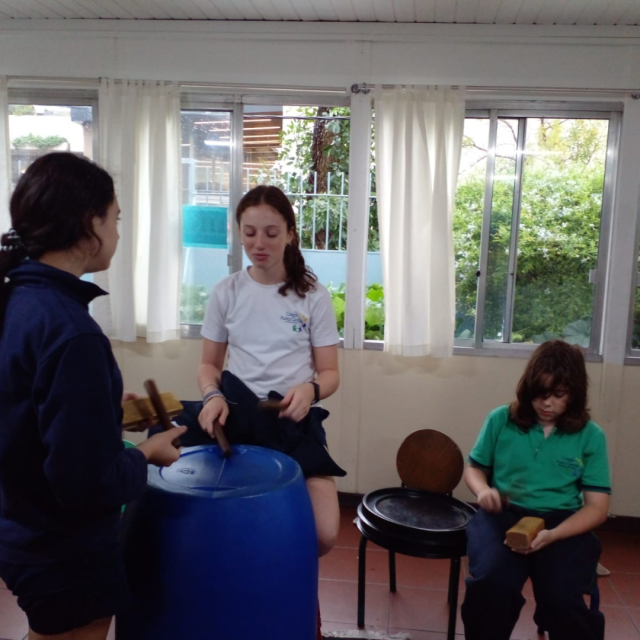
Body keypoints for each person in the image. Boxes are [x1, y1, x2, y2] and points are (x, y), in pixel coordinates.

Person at [0, 152, 186, 640]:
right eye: (116, 219)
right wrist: (147, 452)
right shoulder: (70, 331)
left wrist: (103, 413)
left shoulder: (19, 301)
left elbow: (24, 416)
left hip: (20, 525)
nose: (119, 234)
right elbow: (87, 485)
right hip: (60, 548)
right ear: (90, 225)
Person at [195, 184, 345, 561]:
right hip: (236, 418)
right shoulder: (226, 292)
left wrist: (310, 390)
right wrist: (212, 395)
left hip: (292, 423)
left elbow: (330, 373)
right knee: (226, 527)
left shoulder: (313, 296)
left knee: (324, 533)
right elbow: (209, 365)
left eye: (271, 233)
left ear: (290, 234)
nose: (259, 243)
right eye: (249, 233)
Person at [460, 340, 610, 640]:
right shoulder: (500, 419)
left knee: (562, 599)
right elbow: (474, 468)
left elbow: (597, 508)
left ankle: (553, 614)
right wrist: (483, 490)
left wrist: (553, 535)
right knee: (492, 586)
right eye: (539, 393)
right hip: (503, 516)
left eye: (558, 395)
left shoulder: (590, 435)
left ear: (574, 394)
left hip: (561, 523)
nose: (546, 404)